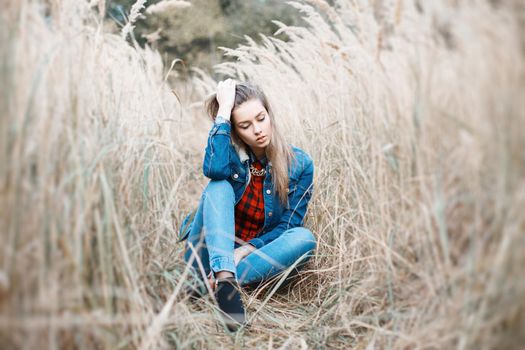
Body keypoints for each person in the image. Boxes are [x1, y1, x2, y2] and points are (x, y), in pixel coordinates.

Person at [178, 79, 316, 331]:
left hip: (246, 259)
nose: (257, 130)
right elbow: (214, 169)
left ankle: (222, 285)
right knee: (218, 185)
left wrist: (244, 250)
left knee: (304, 238)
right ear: (234, 130)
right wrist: (222, 114)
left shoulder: (300, 164)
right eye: (245, 125)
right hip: (208, 254)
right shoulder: (228, 156)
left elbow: (289, 224)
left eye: (261, 118)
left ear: (269, 114)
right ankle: (222, 279)